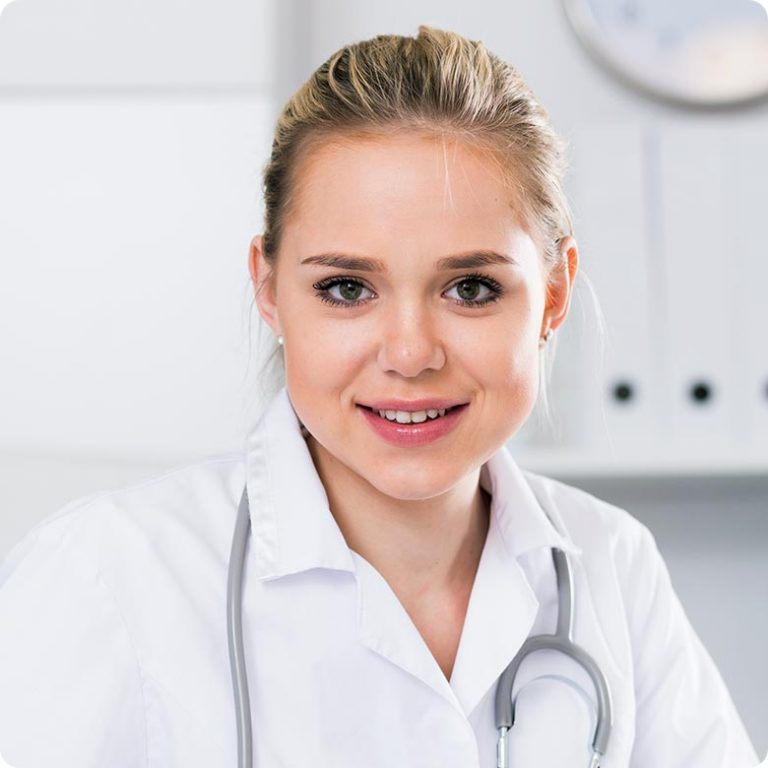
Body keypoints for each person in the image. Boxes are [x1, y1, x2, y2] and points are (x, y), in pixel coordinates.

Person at [0, 25, 761, 768]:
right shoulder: (105, 575)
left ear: (554, 296)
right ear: (269, 290)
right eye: (346, 288)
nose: (409, 353)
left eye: (471, 288)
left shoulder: (611, 565)